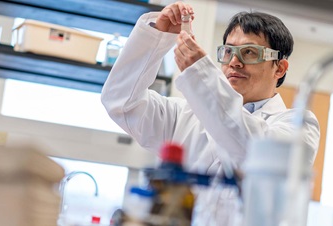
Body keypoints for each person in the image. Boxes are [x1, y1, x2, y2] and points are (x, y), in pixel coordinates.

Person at [101, 1, 320, 225]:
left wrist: (202, 75)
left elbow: (252, 153)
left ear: (280, 68)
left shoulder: (298, 126)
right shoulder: (184, 114)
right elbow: (120, 101)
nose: (234, 62)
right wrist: (157, 36)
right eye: (228, 51)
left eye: (249, 52)